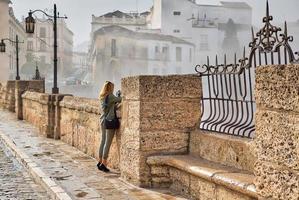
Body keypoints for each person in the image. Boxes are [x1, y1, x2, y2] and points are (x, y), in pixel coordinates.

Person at [97, 81, 122, 172]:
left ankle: (99, 161)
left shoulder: (102, 96)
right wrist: (119, 95)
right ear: (110, 88)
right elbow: (120, 100)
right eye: (112, 87)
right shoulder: (110, 96)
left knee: (103, 141)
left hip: (103, 120)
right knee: (107, 142)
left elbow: (111, 105)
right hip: (109, 121)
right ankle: (104, 163)